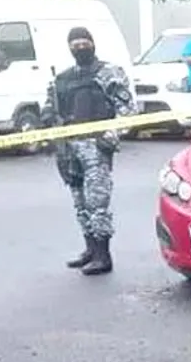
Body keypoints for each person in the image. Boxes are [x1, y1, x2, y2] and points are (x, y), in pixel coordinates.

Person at [42, 27, 137, 275]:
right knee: (80, 202)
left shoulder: (108, 73)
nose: (80, 47)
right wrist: (51, 125)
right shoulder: (62, 79)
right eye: (75, 43)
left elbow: (127, 109)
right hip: (69, 148)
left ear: (93, 44)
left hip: (96, 147)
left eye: (84, 42)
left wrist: (112, 135)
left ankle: (103, 256)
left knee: (97, 202)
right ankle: (90, 250)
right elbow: (51, 111)